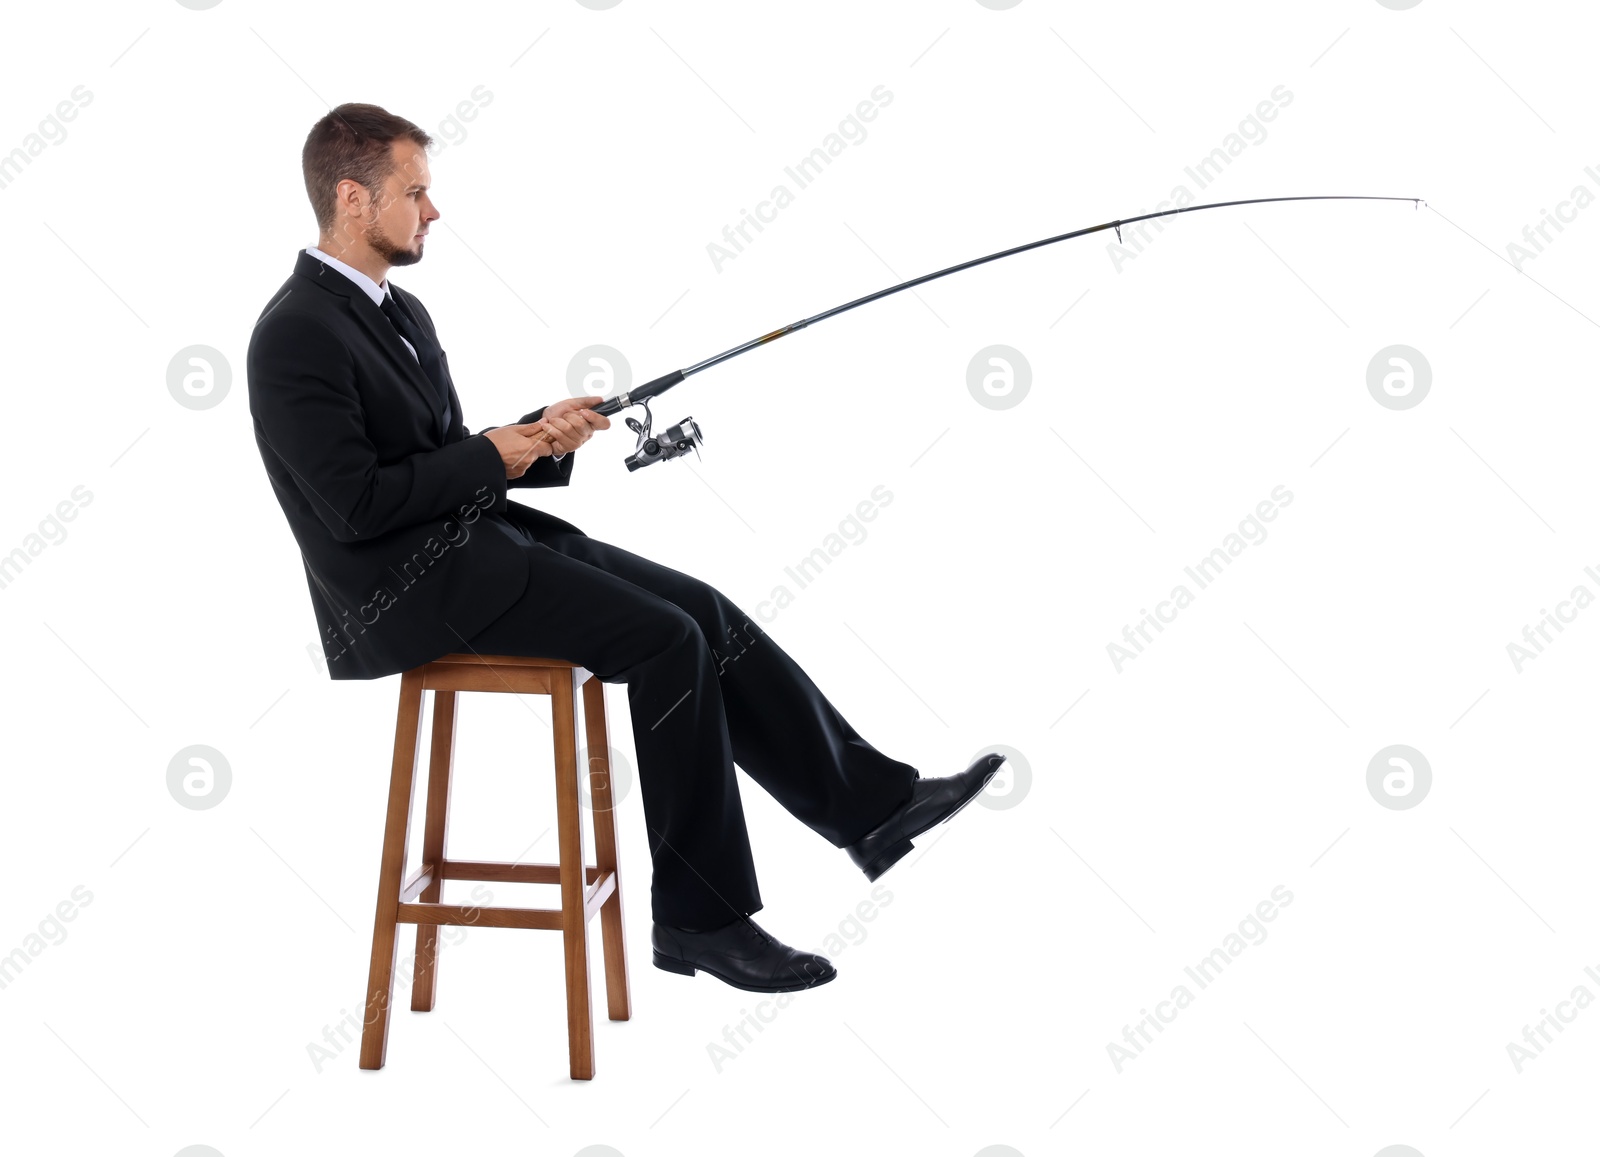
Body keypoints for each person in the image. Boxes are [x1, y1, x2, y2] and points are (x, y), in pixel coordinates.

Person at [247, 103, 1006, 995]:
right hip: (403, 593)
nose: (434, 210)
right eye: (415, 192)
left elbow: (432, 452)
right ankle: (701, 920)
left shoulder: (400, 309)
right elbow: (356, 508)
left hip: (475, 550)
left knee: (703, 612)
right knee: (666, 641)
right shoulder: (296, 331)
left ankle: (872, 810)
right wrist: (495, 452)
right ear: (350, 197)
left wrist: (536, 436)